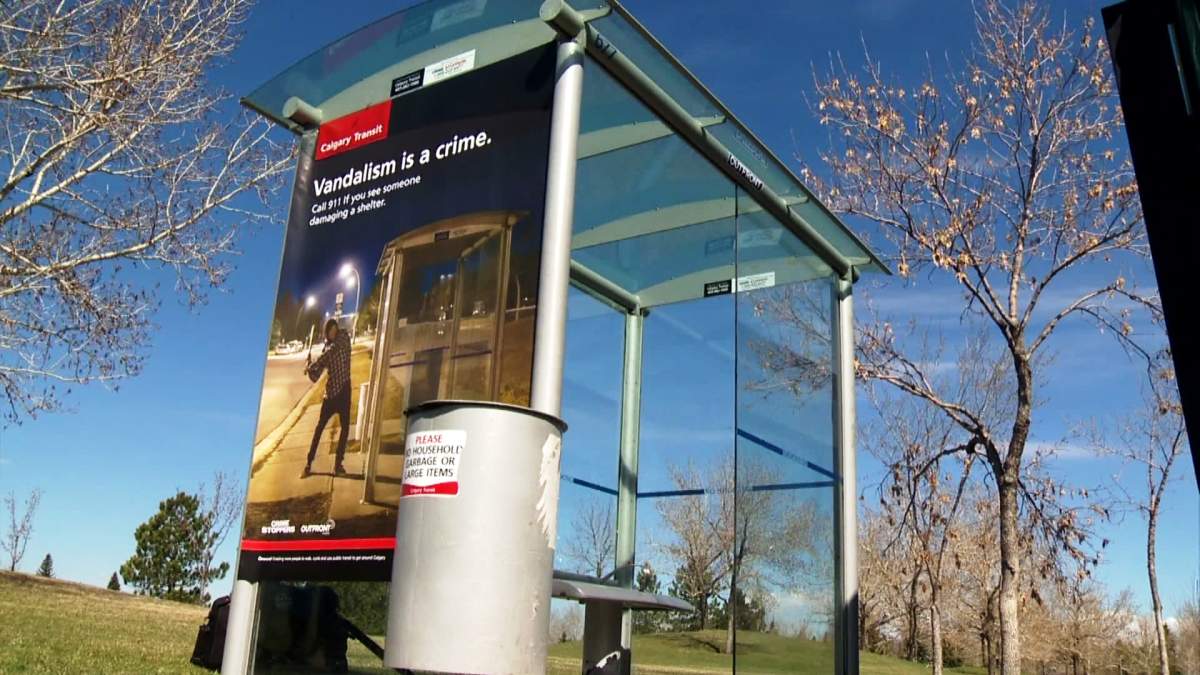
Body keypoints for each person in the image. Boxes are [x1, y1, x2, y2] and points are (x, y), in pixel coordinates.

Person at [303, 319, 351, 477]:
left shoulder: (343, 338)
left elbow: (331, 351)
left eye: (335, 328)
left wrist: (313, 364)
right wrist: (310, 368)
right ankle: (308, 463)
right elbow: (316, 376)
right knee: (319, 428)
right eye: (331, 330)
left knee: (345, 427)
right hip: (330, 394)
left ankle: (338, 464)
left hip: (344, 390)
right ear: (327, 333)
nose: (334, 332)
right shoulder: (327, 348)